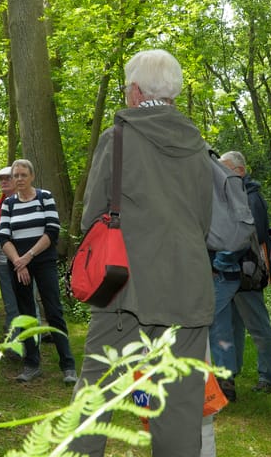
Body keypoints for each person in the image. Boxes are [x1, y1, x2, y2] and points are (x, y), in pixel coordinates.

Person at [69, 49, 213, 457]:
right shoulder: (197, 142)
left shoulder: (117, 136)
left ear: (134, 91)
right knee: (179, 399)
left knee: (96, 389)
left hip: (125, 282)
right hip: (186, 282)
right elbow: (204, 219)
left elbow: (92, 215)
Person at [0, 159, 77, 384]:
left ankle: (68, 366)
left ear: (32, 176)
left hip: (42, 262)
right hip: (18, 266)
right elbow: (4, 237)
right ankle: (32, 364)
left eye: (23, 175)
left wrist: (28, 257)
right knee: (25, 315)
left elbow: (52, 230)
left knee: (53, 311)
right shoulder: (8, 204)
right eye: (16, 175)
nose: (19, 179)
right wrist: (18, 262)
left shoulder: (45, 197)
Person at [211, 151, 271, 399]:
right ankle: (230, 374)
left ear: (240, 170)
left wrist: (223, 261)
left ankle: (269, 376)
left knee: (257, 325)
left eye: (225, 168)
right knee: (231, 325)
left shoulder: (250, 197)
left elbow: (254, 235)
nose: (221, 174)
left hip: (246, 272)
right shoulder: (233, 194)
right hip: (231, 272)